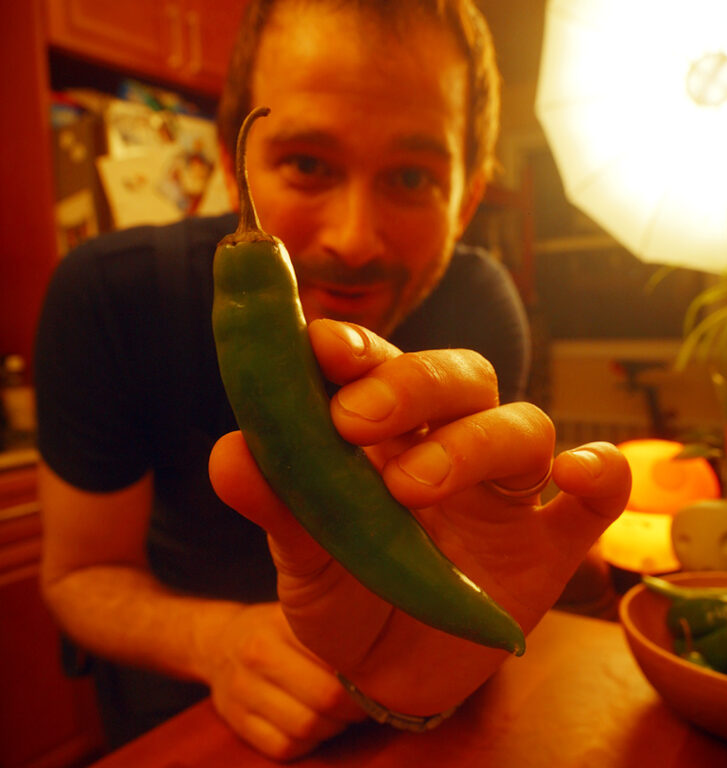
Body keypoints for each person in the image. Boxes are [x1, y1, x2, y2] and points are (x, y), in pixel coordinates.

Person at [34, 0, 631, 762]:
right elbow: (79, 575)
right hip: (193, 721)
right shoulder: (111, 294)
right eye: (307, 164)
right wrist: (220, 641)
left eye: (412, 177)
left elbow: (468, 565)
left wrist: (438, 642)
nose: (353, 239)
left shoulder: (480, 306)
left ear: (468, 198)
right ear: (231, 163)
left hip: (421, 723)